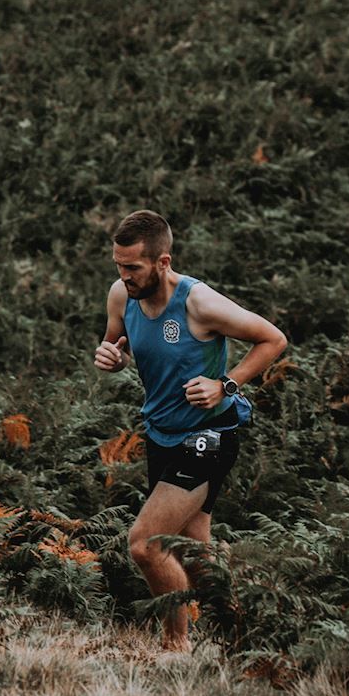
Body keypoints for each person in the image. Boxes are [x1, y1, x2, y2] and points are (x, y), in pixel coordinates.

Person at [93, 210, 287, 652]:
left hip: (209, 437)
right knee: (197, 553)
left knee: (146, 544)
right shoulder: (121, 295)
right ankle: (243, 633)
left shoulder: (200, 304)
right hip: (162, 434)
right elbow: (114, 343)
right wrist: (112, 358)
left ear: (163, 262)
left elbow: (273, 339)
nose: (124, 276)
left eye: (133, 268)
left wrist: (226, 385)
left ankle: (175, 647)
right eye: (118, 266)